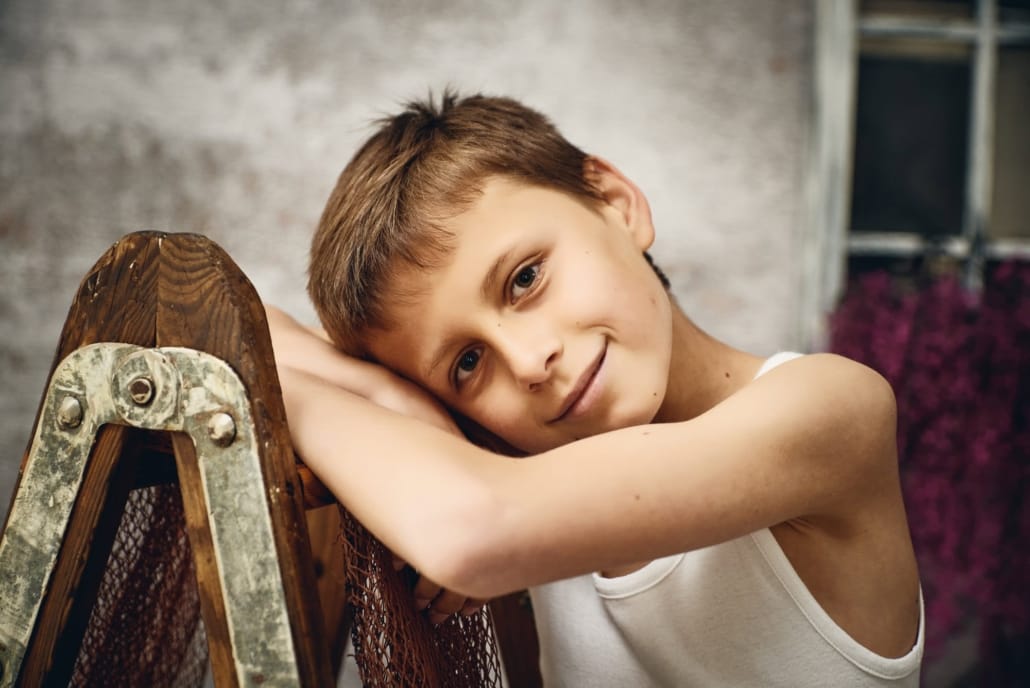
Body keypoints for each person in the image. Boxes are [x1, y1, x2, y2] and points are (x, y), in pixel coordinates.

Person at [268, 91, 924, 686]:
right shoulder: (520, 468)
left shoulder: (830, 407)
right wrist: (396, 398)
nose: (528, 361)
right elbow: (256, 325)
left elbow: (470, 534)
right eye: (468, 363)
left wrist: (298, 399)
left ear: (616, 202)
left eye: (524, 279)